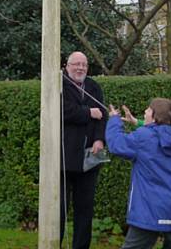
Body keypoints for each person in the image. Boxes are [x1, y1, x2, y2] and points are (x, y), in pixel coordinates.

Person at [106, 98, 171, 249]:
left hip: (149, 209)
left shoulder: (144, 137)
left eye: (148, 110)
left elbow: (116, 144)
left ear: (155, 116)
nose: (145, 112)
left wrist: (114, 120)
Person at [61, 51, 107, 249]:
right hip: (63, 158)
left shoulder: (94, 87)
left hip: (89, 157)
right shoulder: (58, 85)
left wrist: (99, 139)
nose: (80, 68)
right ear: (67, 66)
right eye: (76, 64)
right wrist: (88, 112)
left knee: (85, 209)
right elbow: (62, 110)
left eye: (84, 65)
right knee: (59, 209)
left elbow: (102, 114)